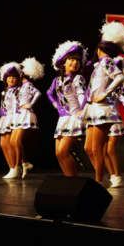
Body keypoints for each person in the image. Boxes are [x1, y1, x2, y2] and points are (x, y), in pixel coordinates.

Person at [81, 21, 124, 185]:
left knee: (97, 148)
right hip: (94, 108)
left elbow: (119, 77)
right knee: (88, 148)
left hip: (103, 108)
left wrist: (105, 93)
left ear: (100, 48)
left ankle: (99, 181)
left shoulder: (107, 62)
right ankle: (102, 177)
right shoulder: (100, 64)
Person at [47, 41, 87, 178]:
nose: (75, 63)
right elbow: (49, 93)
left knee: (64, 151)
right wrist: (55, 104)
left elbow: (82, 95)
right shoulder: (57, 80)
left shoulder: (78, 78)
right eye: (72, 60)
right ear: (64, 63)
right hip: (62, 119)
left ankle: (74, 181)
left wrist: (82, 110)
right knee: (58, 153)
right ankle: (69, 180)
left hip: (73, 117)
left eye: (78, 61)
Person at [103, 57, 124, 188]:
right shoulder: (101, 86)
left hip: (114, 120)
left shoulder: (118, 88)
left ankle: (118, 176)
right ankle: (112, 176)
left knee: (111, 150)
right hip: (102, 119)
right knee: (103, 151)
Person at [10, 57, 44, 178]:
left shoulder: (28, 84)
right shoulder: (22, 86)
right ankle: (25, 163)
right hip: (20, 114)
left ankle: (18, 166)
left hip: (26, 113)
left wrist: (30, 104)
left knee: (17, 141)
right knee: (12, 141)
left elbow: (38, 93)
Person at [0, 62, 22, 179]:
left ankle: (15, 168)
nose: (11, 79)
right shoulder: (5, 91)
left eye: (14, 77)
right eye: (9, 77)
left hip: (14, 117)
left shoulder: (19, 90)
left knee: (10, 144)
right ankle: (11, 168)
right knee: (3, 144)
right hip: (5, 118)